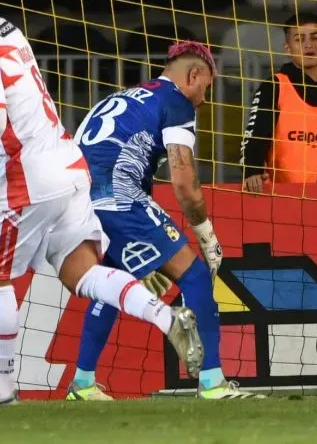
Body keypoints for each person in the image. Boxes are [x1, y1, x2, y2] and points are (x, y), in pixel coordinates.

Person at [0, 0, 204, 406]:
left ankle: (1, 387)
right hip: (69, 166)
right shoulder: (6, 33)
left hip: (27, 177)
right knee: (83, 274)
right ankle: (166, 316)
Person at [67, 41, 262, 400]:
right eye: (207, 88)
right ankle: (212, 383)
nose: (204, 99)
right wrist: (206, 235)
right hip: (118, 196)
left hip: (76, 196)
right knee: (196, 275)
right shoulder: (176, 102)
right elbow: (184, 182)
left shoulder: (123, 97)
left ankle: (82, 383)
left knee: (113, 281)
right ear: (194, 75)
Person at [240, 11, 317, 193]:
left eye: (315, 38)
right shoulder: (274, 87)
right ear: (288, 48)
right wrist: (252, 170)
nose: (308, 45)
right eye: (299, 39)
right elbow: (255, 133)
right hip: (280, 194)